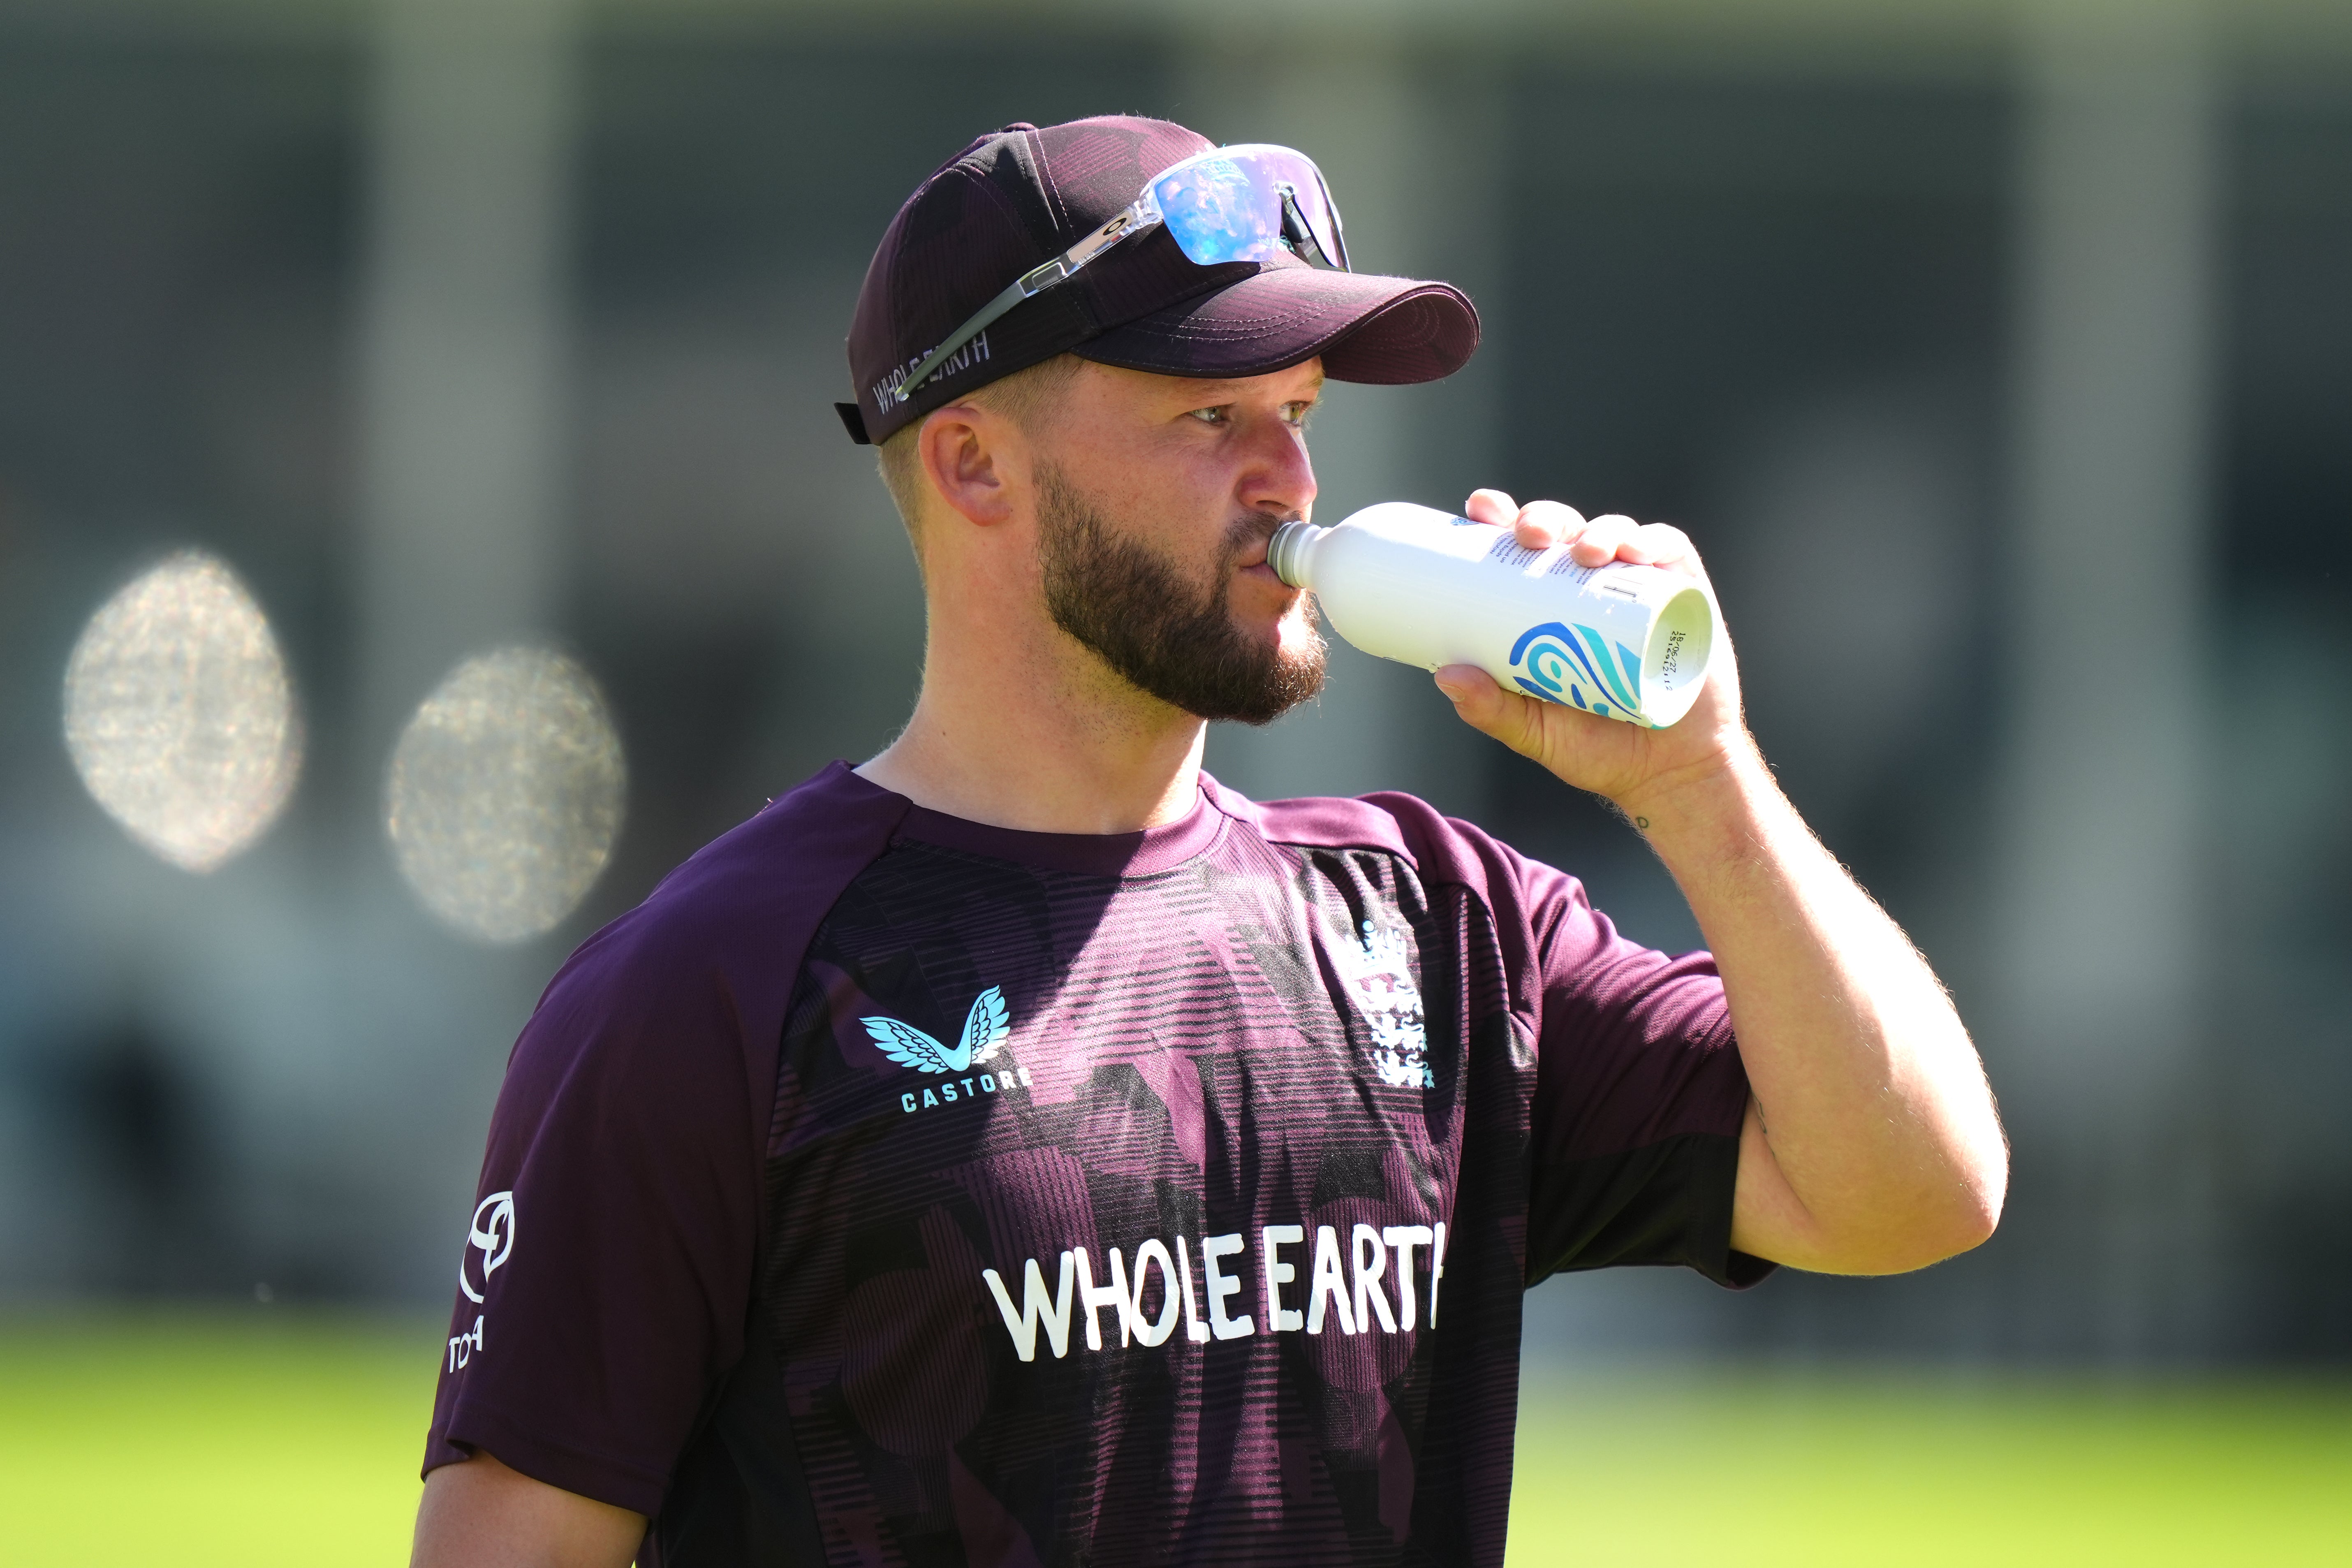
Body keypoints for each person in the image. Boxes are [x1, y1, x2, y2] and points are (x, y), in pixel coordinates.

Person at [410, 116, 2005, 1568]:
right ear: (972, 463)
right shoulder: (714, 987)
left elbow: (1910, 1191)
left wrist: (1699, 782)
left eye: (1298, 414)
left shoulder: (1439, 929)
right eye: (1208, 417)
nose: (1288, 484)